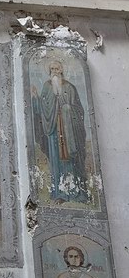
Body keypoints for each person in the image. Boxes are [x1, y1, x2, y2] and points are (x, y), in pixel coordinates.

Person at [32, 61, 87, 203]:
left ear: (62, 70)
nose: (54, 71)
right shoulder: (46, 86)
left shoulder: (69, 87)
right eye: (52, 69)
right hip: (53, 131)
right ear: (49, 71)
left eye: (57, 68)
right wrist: (35, 98)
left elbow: (79, 110)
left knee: (70, 161)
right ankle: (60, 193)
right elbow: (42, 109)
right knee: (56, 160)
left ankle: (75, 192)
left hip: (69, 133)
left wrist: (68, 109)